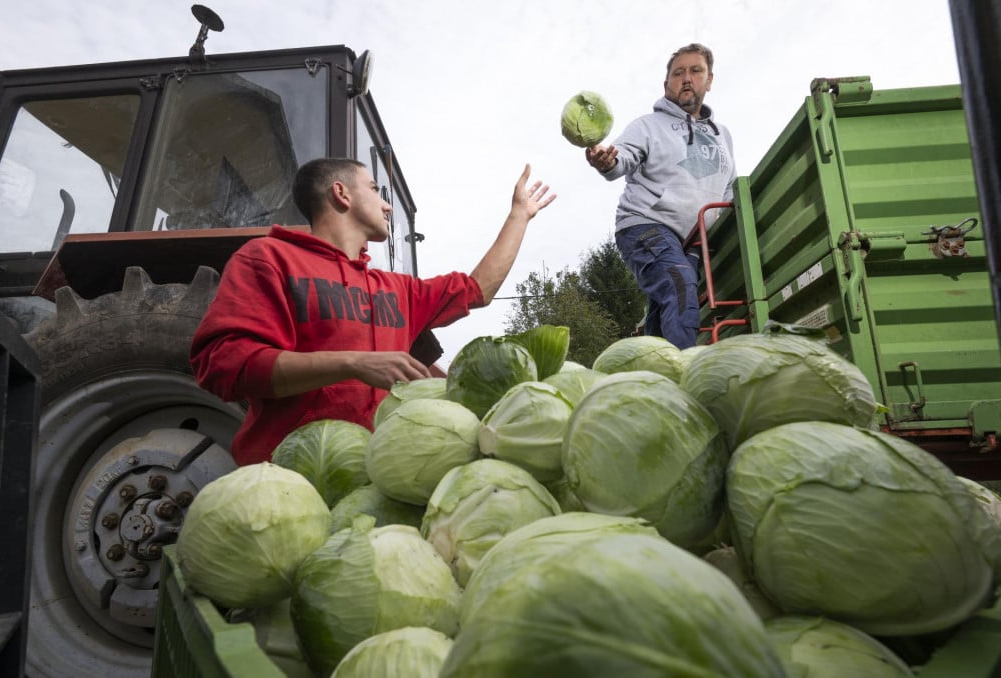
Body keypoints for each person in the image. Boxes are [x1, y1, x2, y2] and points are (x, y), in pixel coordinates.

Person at [190, 159, 555, 465]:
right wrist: (352, 363)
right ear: (341, 193)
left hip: (375, 477)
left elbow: (478, 290)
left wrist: (519, 217)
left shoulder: (396, 288)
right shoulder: (267, 258)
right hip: (289, 477)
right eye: (376, 189)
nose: (387, 205)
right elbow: (224, 365)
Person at [585, 43, 735, 349]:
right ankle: (685, 380)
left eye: (696, 71)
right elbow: (621, 158)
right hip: (646, 225)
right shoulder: (647, 126)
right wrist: (608, 161)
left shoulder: (723, 135)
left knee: (662, 317)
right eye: (678, 73)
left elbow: (730, 190)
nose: (687, 78)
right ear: (666, 85)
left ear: (709, 81)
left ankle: (651, 380)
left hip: (694, 240)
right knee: (679, 284)